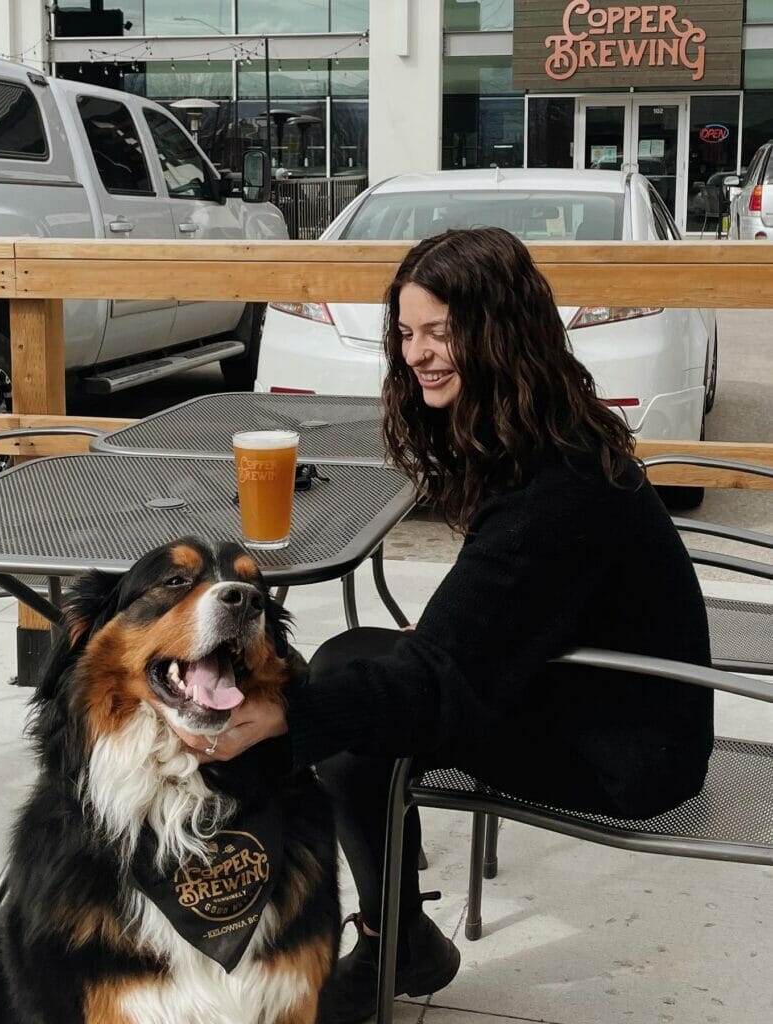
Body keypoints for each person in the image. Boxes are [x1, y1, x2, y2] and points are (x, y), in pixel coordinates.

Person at [171, 227, 713, 1021]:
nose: (417, 353)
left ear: (498, 331)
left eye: (439, 332)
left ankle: (388, 941)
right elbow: (463, 644)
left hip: (629, 747)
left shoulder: (553, 491)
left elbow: (438, 675)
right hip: (598, 689)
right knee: (354, 661)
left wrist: (283, 718)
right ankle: (400, 929)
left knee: (353, 715)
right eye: (406, 332)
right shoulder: (542, 430)